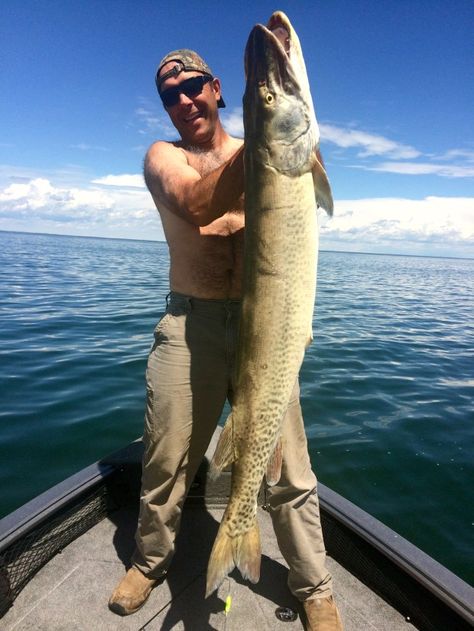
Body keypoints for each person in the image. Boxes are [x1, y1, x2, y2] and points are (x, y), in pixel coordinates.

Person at [108, 49, 343, 631]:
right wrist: (270, 141)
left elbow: (312, 195)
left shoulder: (258, 152)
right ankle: (150, 561)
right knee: (167, 456)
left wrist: (274, 139)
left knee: (288, 467)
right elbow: (195, 202)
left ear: (215, 88)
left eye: (191, 87)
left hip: (267, 328)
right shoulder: (165, 157)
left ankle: (313, 586)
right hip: (191, 326)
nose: (183, 101)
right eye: (169, 95)